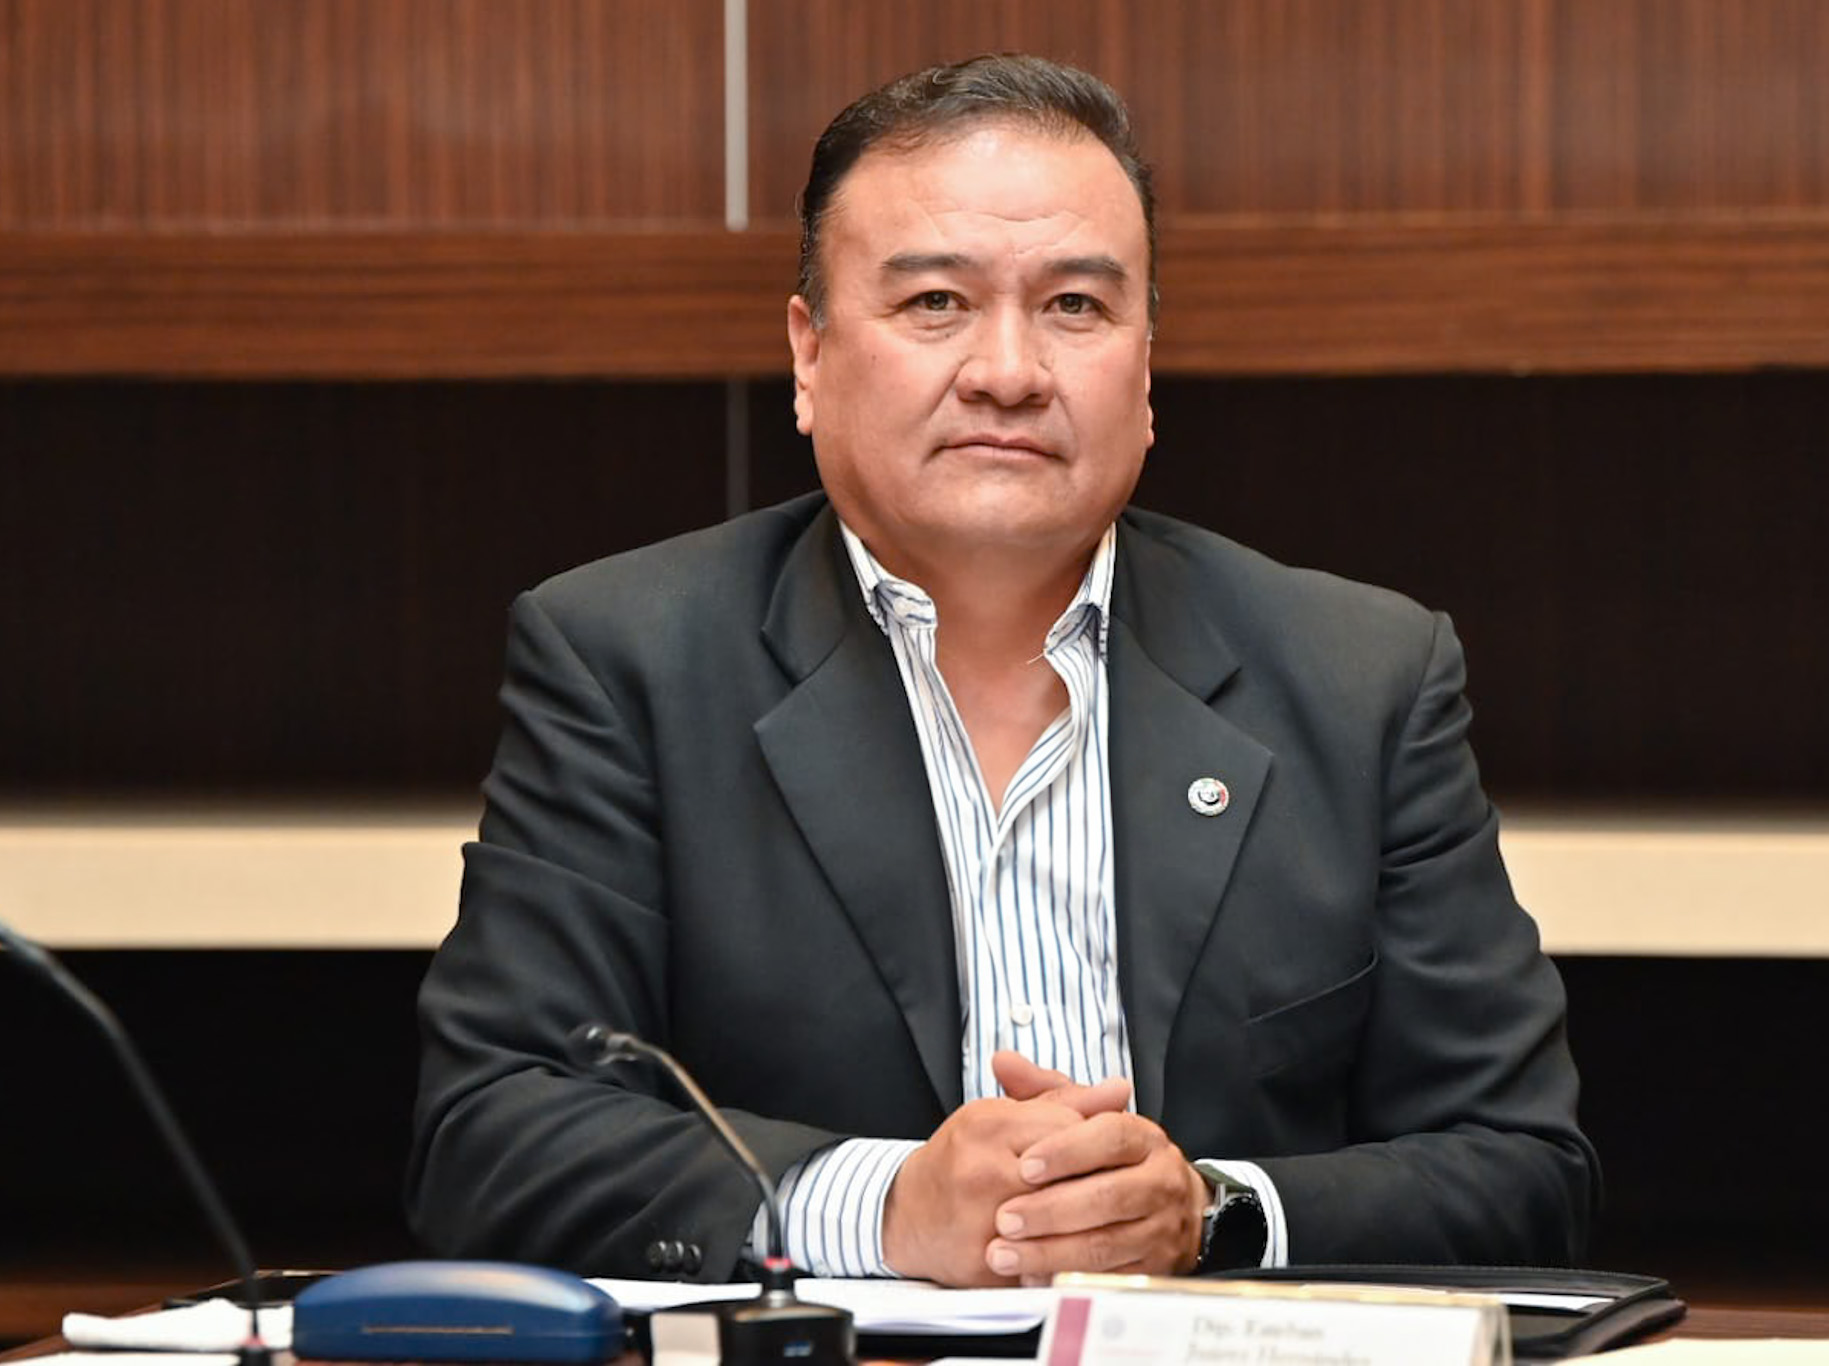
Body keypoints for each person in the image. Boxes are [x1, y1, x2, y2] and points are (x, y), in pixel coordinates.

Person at [407, 53, 1596, 1288]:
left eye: (1075, 306)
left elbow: (1519, 1166)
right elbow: (489, 1135)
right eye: (935, 303)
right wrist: (881, 1208)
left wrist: (1208, 1211)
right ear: (809, 357)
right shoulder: (626, 661)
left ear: (1144, 367)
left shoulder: (1358, 677)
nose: (1010, 372)